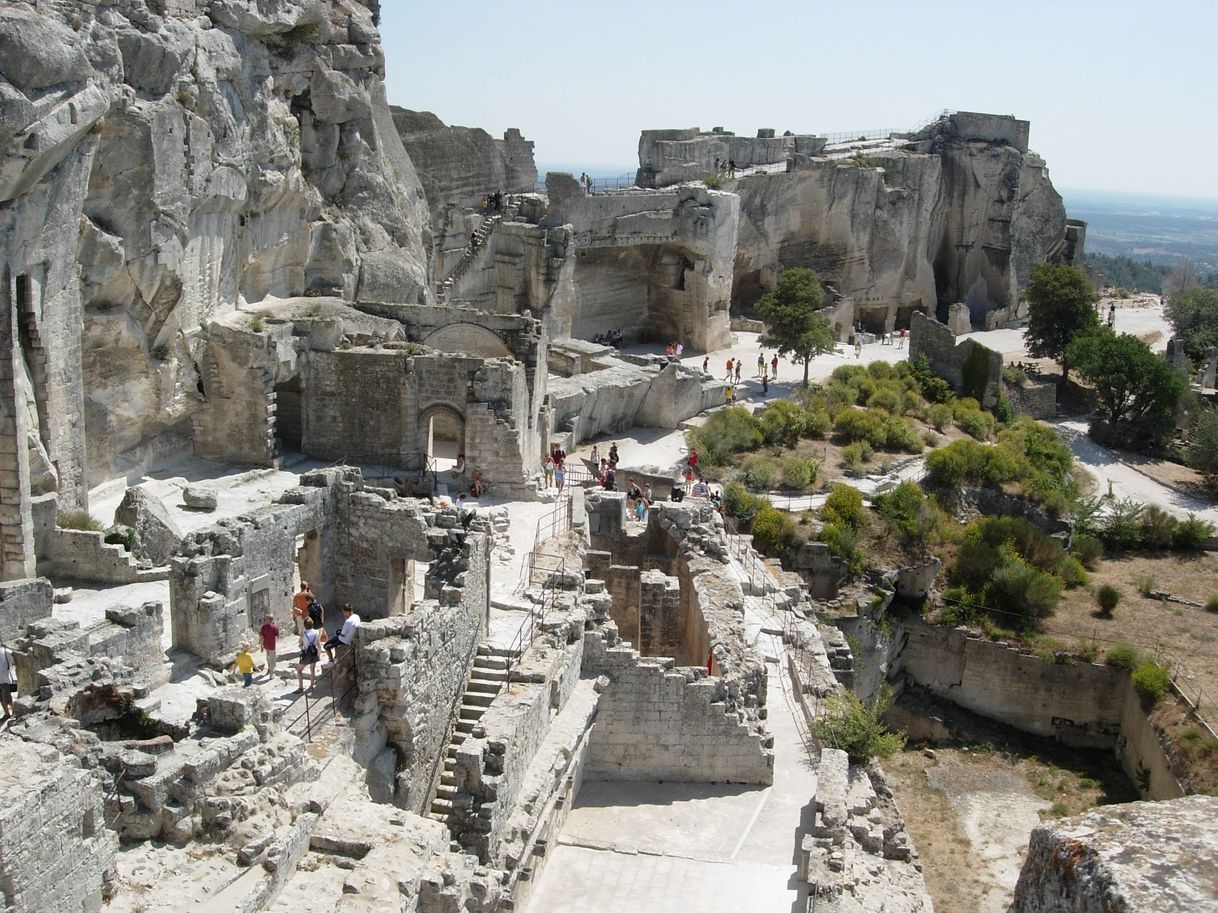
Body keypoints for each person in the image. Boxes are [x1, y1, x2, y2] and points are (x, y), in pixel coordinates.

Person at [297, 618, 321, 693]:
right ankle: (311, 686)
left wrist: (301, 645)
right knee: (312, 670)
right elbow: (318, 645)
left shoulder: (304, 634)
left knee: (299, 670)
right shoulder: (316, 632)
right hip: (314, 653)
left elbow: (300, 643)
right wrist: (318, 655)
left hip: (306, 654)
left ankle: (301, 687)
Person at [260, 613, 280, 681]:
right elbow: (277, 637)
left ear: (268, 620)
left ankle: (269, 669)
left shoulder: (263, 627)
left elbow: (262, 637)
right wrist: (275, 642)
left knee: (268, 657)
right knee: (272, 660)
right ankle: (271, 673)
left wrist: (261, 646)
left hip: (266, 645)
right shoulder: (275, 627)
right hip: (272, 646)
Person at [0, 639, 15, 719]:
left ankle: (14, 713)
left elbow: (12, 661)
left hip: (4, 679)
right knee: (1, 699)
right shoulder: (6, 651)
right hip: (3, 678)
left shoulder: (6, 651)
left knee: (7, 698)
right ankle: (6, 713)